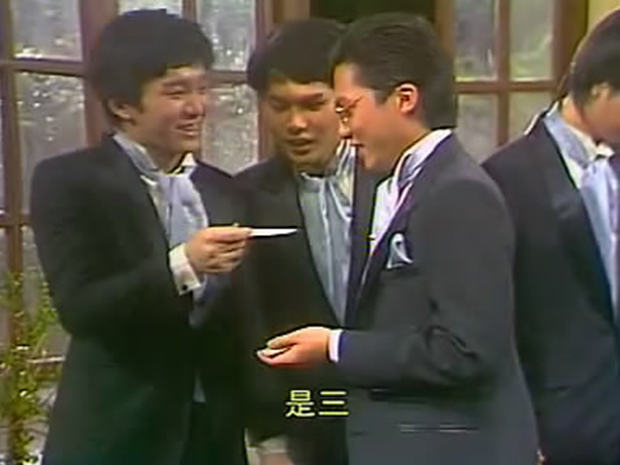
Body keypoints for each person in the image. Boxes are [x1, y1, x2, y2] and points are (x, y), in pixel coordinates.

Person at [258, 13, 538, 465]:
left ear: (404, 99)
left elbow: (465, 350)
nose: (343, 130)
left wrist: (336, 346)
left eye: (348, 110)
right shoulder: (404, 183)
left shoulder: (458, 193)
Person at [31, 9, 260, 465]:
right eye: (176, 92)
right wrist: (184, 265)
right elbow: (82, 308)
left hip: (212, 436)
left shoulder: (224, 189)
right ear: (122, 104)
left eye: (202, 88)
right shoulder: (69, 181)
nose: (197, 107)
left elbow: (241, 321)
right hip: (116, 435)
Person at [237, 18, 377, 465]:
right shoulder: (245, 198)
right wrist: (271, 439)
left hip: (402, 418)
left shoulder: (398, 181)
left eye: (314, 104)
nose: (295, 124)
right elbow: (249, 326)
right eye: (279, 106)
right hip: (310, 422)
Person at [483, 10, 620, 465]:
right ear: (601, 88)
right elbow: (496, 323)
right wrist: (518, 432)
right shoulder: (506, 179)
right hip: (561, 431)